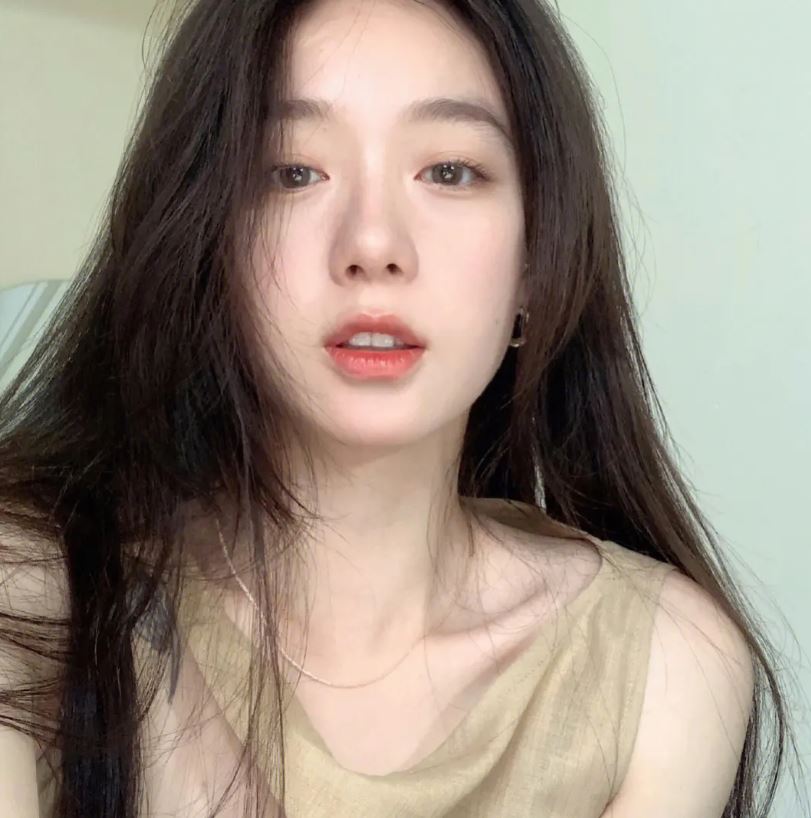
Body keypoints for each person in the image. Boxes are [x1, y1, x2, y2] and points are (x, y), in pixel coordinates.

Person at [0, 0, 800, 816]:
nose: (373, 244)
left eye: (449, 171)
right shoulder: (36, 593)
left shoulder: (659, 663)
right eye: (291, 171)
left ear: (536, 260)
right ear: (207, 241)